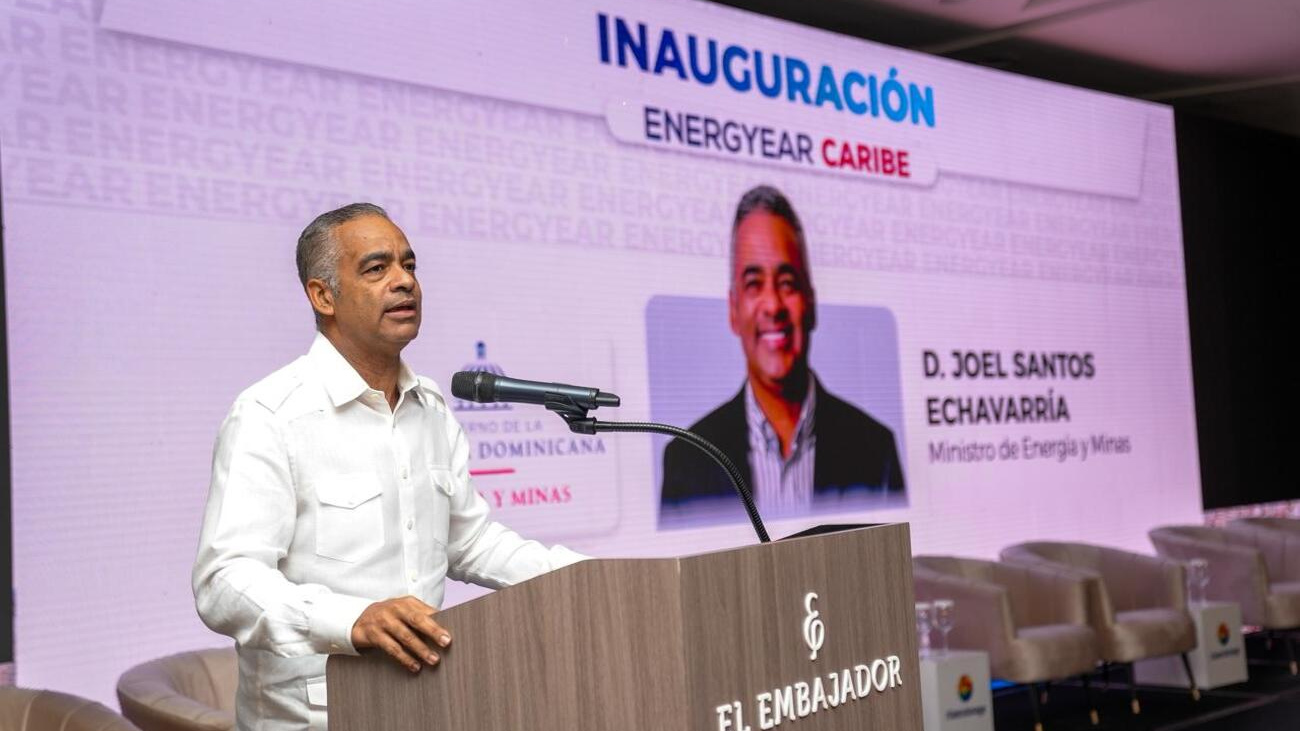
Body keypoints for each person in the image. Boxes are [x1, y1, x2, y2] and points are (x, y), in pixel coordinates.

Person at [193, 203, 585, 731]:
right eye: (377, 268)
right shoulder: (271, 415)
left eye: (410, 265)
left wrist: (589, 578)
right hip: (316, 719)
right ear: (323, 296)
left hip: (423, 705)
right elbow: (224, 581)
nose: (404, 281)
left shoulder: (430, 407)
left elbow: (469, 543)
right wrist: (351, 619)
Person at [660, 185, 905, 523]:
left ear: (811, 304)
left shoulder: (876, 450)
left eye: (787, 283)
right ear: (733, 310)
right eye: (754, 284)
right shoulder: (686, 461)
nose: (773, 305)